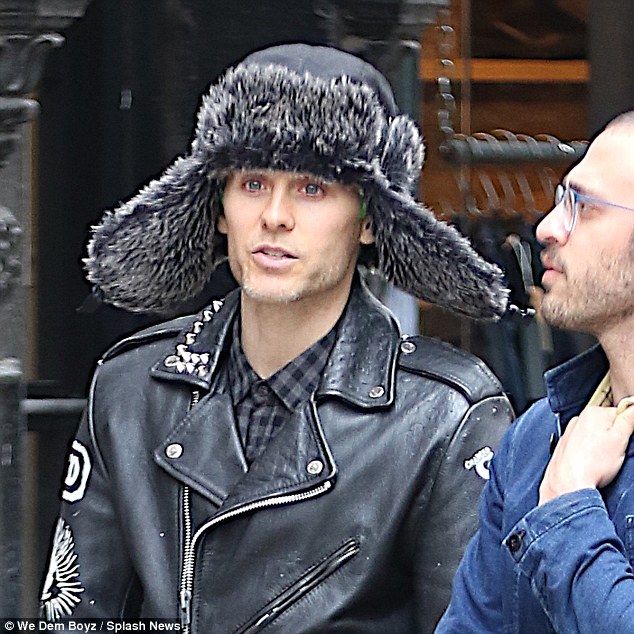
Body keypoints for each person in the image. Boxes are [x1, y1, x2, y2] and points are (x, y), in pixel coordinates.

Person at [40, 43, 513, 632]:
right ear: (219, 208)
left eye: (312, 188)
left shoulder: (447, 416)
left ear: (369, 220)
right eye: (253, 183)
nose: (275, 216)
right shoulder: (129, 389)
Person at [436, 111, 634, 634]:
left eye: (584, 206)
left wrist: (569, 507)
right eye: (562, 198)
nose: (547, 226)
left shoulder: (552, 459)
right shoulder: (534, 438)